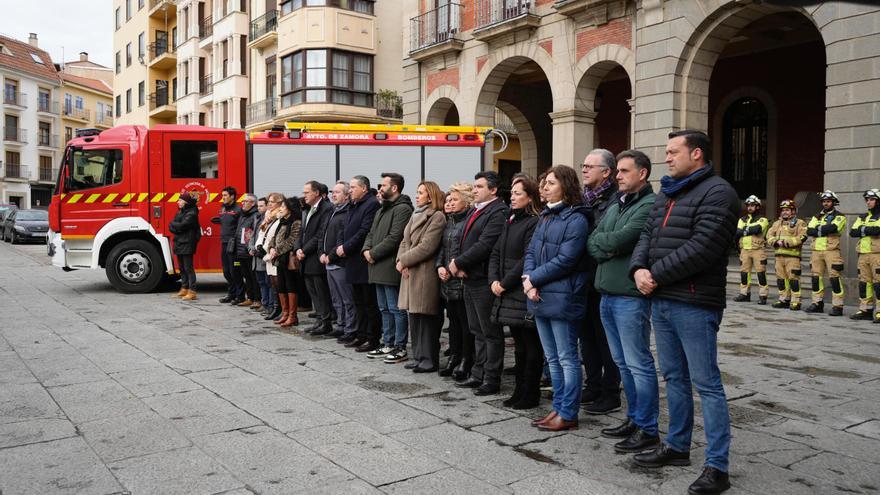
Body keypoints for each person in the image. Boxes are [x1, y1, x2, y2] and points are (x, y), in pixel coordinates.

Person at [630, 130, 738, 495]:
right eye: (665, 152)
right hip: (661, 299)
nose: (667, 158)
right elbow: (646, 236)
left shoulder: (718, 192)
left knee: (707, 384)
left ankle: (717, 466)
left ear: (696, 153)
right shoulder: (667, 193)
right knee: (673, 378)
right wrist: (638, 270)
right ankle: (677, 446)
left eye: (673, 152)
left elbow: (704, 247)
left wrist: (654, 275)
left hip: (694, 302)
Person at [587, 150, 659, 453]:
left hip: (630, 297)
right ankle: (633, 418)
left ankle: (648, 427)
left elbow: (620, 239)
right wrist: (608, 246)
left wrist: (608, 245)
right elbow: (595, 239)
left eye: (624, 171)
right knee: (622, 364)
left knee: (638, 363)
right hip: (606, 293)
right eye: (617, 171)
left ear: (642, 173)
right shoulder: (618, 202)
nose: (618, 176)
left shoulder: (650, 205)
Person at [523, 165, 590, 432]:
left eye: (550, 183)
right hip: (539, 294)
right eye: (543, 183)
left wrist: (534, 279)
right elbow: (531, 251)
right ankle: (558, 408)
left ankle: (568, 412)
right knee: (551, 359)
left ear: (566, 185)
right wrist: (529, 281)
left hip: (563, 296)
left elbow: (567, 259)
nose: (544, 188)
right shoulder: (546, 216)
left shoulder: (577, 219)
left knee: (566, 357)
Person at [450, 171, 508, 396]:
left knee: (490, 331)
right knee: (476, 329)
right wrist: (458, 263)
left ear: (493, 190)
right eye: (473, 187)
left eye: (479, 187)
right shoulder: (476, 210)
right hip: (469, 277)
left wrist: (460, 263)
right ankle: (478, 373)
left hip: (484, 279)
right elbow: (461, 239)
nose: (474, 190)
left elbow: (486, 245)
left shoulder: (498, 212)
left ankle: (491, 378)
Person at [489, 176, 541, 409]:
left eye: (518, 193)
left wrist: (505, 283)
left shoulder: (533, 222)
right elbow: (496, 252)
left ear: (530, 197)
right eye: (512, 192)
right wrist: (493, 280)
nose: (513, 196)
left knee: (530, 345)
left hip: (520, 289)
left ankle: (530, 393)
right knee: (519, 345)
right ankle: (519, 390)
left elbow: (526, 258)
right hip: (505, 288)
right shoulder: (510, 220)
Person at [579, 149, 621, 415]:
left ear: (606, 172)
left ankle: (610, 391)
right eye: (583, 165)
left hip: (603, 277)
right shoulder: (583, 199)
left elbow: (601, 237)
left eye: (589, 166)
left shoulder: (614, 201)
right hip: (583, 278)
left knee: (605, 339)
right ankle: (592, 384)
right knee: (587, 338)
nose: (583, 170)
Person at [363, 173, 414, 363]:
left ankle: (399, 346)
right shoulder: (381, 209)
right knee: (384, 308)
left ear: (394, 188)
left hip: (389, 265)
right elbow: (371, 233)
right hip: (376, 265)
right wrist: (366, 250)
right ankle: (387, 342)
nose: (380, 188)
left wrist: (373, 254)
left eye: (383, 185)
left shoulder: (402, 209)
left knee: (396, 308)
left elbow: (395, 238)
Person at [397, 181, 447, 372]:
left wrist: (404, 261)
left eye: (420, 193)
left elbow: (427, 246)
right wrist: (400, 261)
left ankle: (429, 359)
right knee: (414, 318)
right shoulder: (415, 214)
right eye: (417, 192)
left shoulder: (437, 217)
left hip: (424, 274)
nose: (416, 196)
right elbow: (404, 240)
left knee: (426, 319)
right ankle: (418, 356)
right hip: (410, 271)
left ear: (430, 195)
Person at [436, 182, 475, 381]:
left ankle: (466, 360)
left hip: (461, 279)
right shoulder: (449, 222)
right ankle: (454, 357)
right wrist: (439, 266)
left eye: (454, 199)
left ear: (466, 202)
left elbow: (469, 249)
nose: (449, 203)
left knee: (465, 323)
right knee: (453, 323)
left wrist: (456, 267)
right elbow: (442, 248)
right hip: (447, 280)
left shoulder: (469, 221)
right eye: (448, 199)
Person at [340, 176, 382, 352]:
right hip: (352, 261)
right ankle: (361, 334)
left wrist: (346, 248)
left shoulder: (371, 204)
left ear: (364, 188)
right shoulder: (354, 205)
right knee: (358, 302)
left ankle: (372, 338)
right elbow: (347, 230)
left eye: (353, 187)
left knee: (369, 303)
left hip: (362, 261)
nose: (350, 190)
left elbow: (364, 231)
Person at [298, 181, 335, 335]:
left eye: (307, 192)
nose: (304, 195)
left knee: (321, 293)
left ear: (317, 193)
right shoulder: (309, 208)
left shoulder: (326, 208)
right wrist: (298, 248)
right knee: (313, 292)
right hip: (306, 257)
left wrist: (304, 250)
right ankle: (319, 320)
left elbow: (320, 233)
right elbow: (303, 231)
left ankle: (326, 322)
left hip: (315, 257)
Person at [322, 181, 356, 341]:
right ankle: (341, 325)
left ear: (346, 195)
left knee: (347, 299)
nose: (333, 195)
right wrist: (322, 253)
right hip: (328, 262)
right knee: (336, 299)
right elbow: (324, 234)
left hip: (340, 263)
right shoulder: (333, 211)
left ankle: (350, 329)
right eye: (332, 192)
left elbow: (342, 238)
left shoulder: (348, 212)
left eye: (337, 192)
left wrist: (331, 255)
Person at [806, 190, 848, 316]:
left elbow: (834, 228)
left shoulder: (840, 216)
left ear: (834, 202)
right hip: (816, 251)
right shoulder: (816, 216)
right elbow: (809, 231)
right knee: (815, 278)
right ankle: (817, 303)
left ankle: (838, 306)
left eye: (828, 201)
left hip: (832, 251)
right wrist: (823, 230)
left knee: (834, 278)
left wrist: (817, 230)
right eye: (824, 201)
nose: (825, 203)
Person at [266, 197, 302, 328]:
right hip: (279, 260)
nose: (280, 209)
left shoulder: (296, 222)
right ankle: (285, 313)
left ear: (290, 208)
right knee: (281, 286)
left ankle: (293, 316)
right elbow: (274, 237)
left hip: (288, 259)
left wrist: (277, 250)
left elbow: (292, 240)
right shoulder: (282, 221)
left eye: (283, 206)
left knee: (291, 285)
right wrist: (271, 247)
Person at [766, 199, 807, 311]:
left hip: (792, 257)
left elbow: (802, 237)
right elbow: (768, 235)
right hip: (779, 256)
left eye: (787, 210)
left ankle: (796, 301)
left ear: (793, 211)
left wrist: (786, 243)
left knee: (793, 279)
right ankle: (784, 299)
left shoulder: (800, 223)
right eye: (783, 210)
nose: (785, 212)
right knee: (781, 279)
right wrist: (775, 242)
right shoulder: (776, 223)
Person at [849, 188, 880, 322]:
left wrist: (863, 229)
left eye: (871, 199)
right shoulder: (863, 217)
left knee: (878, 284)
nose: (868, 202)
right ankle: (865, 309)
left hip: (877, 254)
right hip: (863, 254)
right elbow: (853, 232)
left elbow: (877, 230)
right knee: (864, 283)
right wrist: (868, 230)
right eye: (867, 200)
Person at [733, 195, 770, 305]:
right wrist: (749, 230)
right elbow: (737, 232)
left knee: (761, 274)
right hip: (744, 250)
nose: (749, 207)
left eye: (752, 205)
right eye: (748, 205)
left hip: (758, 250)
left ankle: (763, 296)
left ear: (758, 207)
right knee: (744, 274)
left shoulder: (763, 219)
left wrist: (744, 230)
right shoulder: (742, 219)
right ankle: (744, 294)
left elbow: (758, 229)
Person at [212, 186, 242, 303]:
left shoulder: (238, 210)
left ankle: (240, 296)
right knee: (226, 271)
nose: (223, 198)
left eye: (225, 195)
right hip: (224, 243)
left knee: (235, 271)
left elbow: (240, 227)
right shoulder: (223, 208)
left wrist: (236, 241)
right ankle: (231, 293)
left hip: (233, 244)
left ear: (232, 196)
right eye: (222, 195)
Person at [169, 190, 201, 301]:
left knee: (188, 268)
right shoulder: (181, 212)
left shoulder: (192, 213)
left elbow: (182, 225)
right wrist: (175, 225)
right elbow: (172, 226)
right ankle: (184, 288)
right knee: (182, 268)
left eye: (180, 200)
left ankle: (192, 291)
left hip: (187, 243)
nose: (178, 202)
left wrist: (175, 225)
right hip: (179, 242)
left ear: (186, 202)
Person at [261, 193, 285, 321]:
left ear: (280, 203)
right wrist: (261, 246)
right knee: (272, 283)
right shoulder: (269, 216)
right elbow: (264, 233)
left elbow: (276, 236)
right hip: (267, 253)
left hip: (274, 254)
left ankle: (280, 309)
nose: (269, 204)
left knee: (278, 283)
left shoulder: (279, 216)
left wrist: (270, 249)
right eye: (269, 201)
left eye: (272, 202)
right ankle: (276, 308)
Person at [232, 194, 259, 307]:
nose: (243, 203)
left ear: (253, 203)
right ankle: (250, 298)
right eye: (243, 201)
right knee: (246, 276)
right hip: (240, 250)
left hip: (249, 251)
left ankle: (257, 299)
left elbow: (252, 234)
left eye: (246, 201)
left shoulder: (255, 215)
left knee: (253, 277)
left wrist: (249, 249)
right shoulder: (243, 215)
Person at [249, 197, 270, 313]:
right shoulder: (257, 218)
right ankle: (264, 302)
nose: (259, 208)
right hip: (255, 257)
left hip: (262, 256)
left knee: (267, 283)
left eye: (261, 206)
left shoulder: (268, 219)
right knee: (261, 282)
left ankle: (268, 305)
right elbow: (253, 236)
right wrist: (251, 247)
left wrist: (258, 250)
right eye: (258, 206)